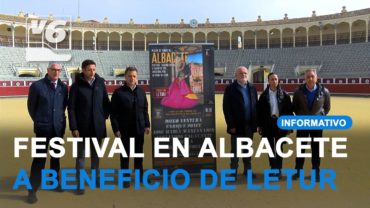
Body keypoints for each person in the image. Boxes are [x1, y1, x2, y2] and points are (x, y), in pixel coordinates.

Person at [27, 62, 68, 204]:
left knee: (56, 159)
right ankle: (32, 190)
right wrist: (39, 121)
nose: (56, 72)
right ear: (48, 70)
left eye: (58, 70)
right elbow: (31, 107)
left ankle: (54, 182)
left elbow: (62, 107)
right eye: (53, 70)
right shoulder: (37, 86)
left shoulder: (63, 87)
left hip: (58, 129)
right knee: (39, 160)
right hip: (42, 129)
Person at [68, 59, 110, 194]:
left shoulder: (100, 82)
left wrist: (104, 116)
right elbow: (71, 108)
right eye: (89, 70)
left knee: (96, 155)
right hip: (81, 128)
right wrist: (74, 127)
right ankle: (80, 184)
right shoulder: (76, 86)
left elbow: (105, 101)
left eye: (94, 69)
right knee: (80, 157)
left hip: (97, 126)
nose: (92, 72)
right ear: (83, 70)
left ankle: (96, 178)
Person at [110, 66, 150, 188]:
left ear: (136, 77)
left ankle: (140, 177)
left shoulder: (141, 92)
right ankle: (125, 179)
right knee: (125, 155)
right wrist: (116, 129)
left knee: (138, 155)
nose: (132, 78)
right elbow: (113, 113)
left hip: (139, 129)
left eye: (134, 76)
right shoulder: (118, 92)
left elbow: (144, 110)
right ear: (125, 77)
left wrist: (147, 125)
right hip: (124, 130)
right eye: (129, 76)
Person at [292, 68, 330, 181]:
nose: (310, 79)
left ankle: (316, 171)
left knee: (316, 148)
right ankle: (298, 171)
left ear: (316, 77)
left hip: (317, 125)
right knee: (300, 148)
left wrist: (320, 116)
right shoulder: (298, 92)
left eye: (312, 76)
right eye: (308, 77)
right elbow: (295, 107)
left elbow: (327, 108)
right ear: (305, 78)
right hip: (302, 124)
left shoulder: (325, 91)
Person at [222, 66, 258, 180]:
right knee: (235, 151)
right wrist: (231, 125)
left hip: (249, 125)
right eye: (241, 73)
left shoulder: (252, 87)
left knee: (247, 149)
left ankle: (247, 171)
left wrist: (255, 123)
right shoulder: (230, 88)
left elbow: (255, 105)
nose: (243, 75)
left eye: (245, 73)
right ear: (236, 75)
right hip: (236, 126)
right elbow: (226, 108)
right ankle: (233, 172)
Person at [257, 72, 293, 178]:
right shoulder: (263, 96)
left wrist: (289, 126)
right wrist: (259, 125)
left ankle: (279, 169)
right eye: (272, 79)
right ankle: (273, 168)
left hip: (280, 123)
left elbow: (289, 111)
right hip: (267, 123)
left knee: (279, 147)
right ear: (268, 81)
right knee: (269, 147)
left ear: (278, 80)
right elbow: (259, 112)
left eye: (276, 79)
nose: (274, 81)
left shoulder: (285, 95)